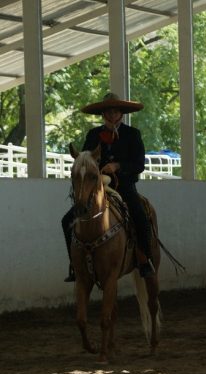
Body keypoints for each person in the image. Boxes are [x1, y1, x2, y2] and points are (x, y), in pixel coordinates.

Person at [61, 93, 154, 282]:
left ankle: (144, 259)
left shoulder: (132, 134)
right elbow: (85, 158)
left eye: (116, 111)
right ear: (103, 114)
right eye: (108, 112)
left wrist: (118, 166)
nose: (112, 115)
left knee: (141, 217)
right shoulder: (93, 134)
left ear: (121, 113)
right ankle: (74, 264)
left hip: (124, 186)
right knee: (66, 221)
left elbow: (139, 164)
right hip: (97, 187)